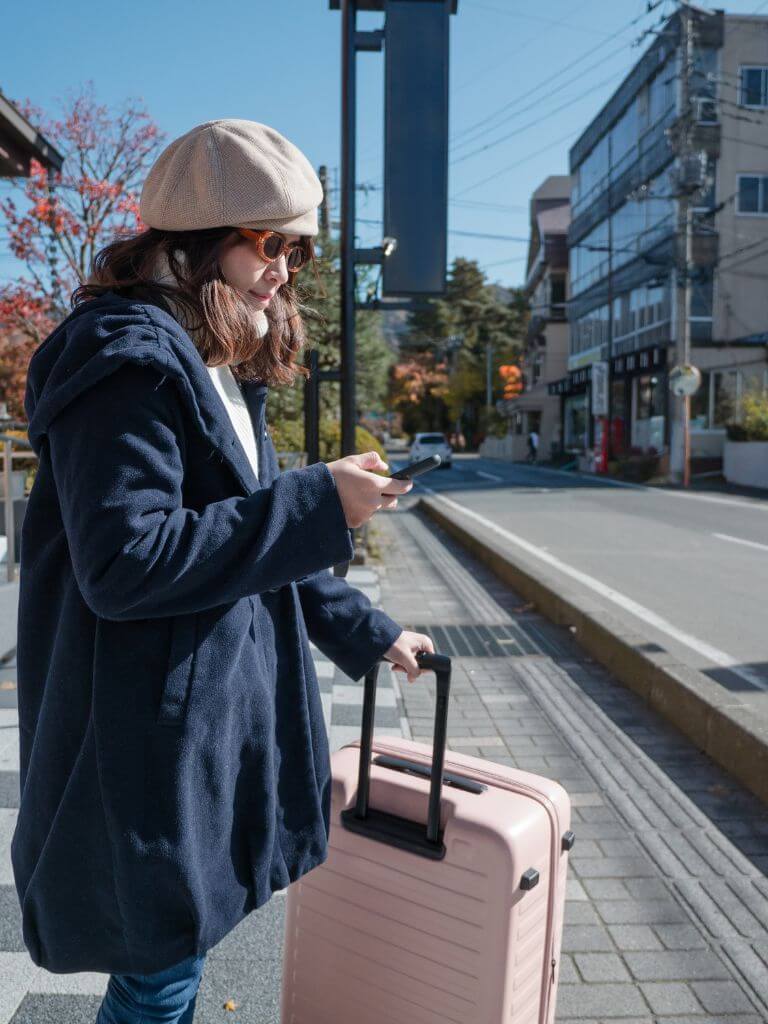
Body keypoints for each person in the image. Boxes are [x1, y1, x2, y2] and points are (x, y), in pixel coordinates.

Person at [11, 119, 434, 1023]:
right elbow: (128, 562)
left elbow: (250, 529)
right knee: (160, 971)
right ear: (200, 238)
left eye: (300, 249)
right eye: (270, 243)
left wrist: (368, 627)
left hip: (208, 714)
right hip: (147, 727)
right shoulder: (123, 357)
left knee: (179, 956)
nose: (285, 269)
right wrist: (320, 502)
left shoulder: (212, 357)